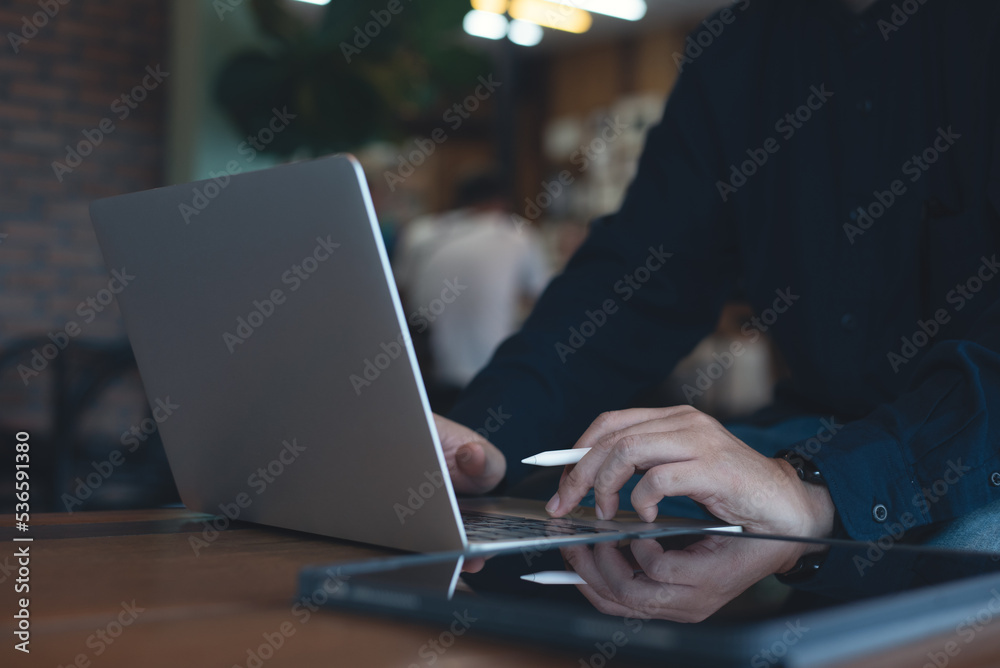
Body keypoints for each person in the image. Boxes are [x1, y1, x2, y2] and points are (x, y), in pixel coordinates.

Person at [431, 0, 1000, 559]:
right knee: (581, 507)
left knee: (958, 564)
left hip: (973, 452)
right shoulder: (739, 48)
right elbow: (639, 277)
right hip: (817, 436)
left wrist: (820, 487)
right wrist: (486, 433)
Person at [394, 174, 550, 411]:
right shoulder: (516, 233)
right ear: (500, 202)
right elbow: (543, 300)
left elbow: (401, 294)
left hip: (426, 375)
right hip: (491, 373)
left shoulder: (419, 232)